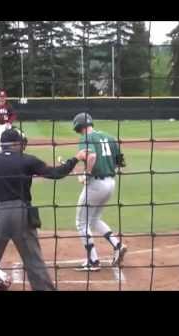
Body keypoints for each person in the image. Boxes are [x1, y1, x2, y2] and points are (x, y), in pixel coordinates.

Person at [0, 127, 78, 291]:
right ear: (15, 143)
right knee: (33, 259)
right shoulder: (27, 160)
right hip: (22, 213)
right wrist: (74, 160)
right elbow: (56, 173)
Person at [71, 112, 127, 271]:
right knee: (94, 219)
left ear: (78, 127)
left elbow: (91, 156)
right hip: (110, 183)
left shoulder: (85, 138)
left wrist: (86, 175)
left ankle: (93, 261)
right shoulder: (109, 137)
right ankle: (118, 245)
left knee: (81, 222)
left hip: (96, 185)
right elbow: (119, 162)